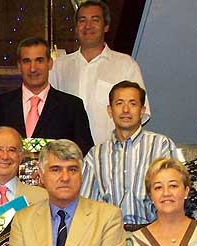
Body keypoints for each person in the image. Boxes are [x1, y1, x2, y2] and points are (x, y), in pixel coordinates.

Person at [49, 0, 150, 144]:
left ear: (106, 26)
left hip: (112, 153)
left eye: (95, 20)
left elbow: (138, 114)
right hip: (69, 155)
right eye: (82, 20)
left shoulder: (126, 65)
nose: (88, 26)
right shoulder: (59, 67)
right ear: (76, 27)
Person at [81, 81, 179, 228]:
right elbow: (86, 204)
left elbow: (175, 195)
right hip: (110, 232)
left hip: (153, 230)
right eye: (119, 103)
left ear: (142, 111)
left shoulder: (161, 145)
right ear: (110, 110)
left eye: (133, 104)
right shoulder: (96, 155)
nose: (126, 110)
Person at [0, 37, 93, 156]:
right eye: (26, 61)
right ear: (19, 66)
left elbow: (85, 154)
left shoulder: (72, 107)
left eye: (39, 61)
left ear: (50, 63)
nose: (33, 68)